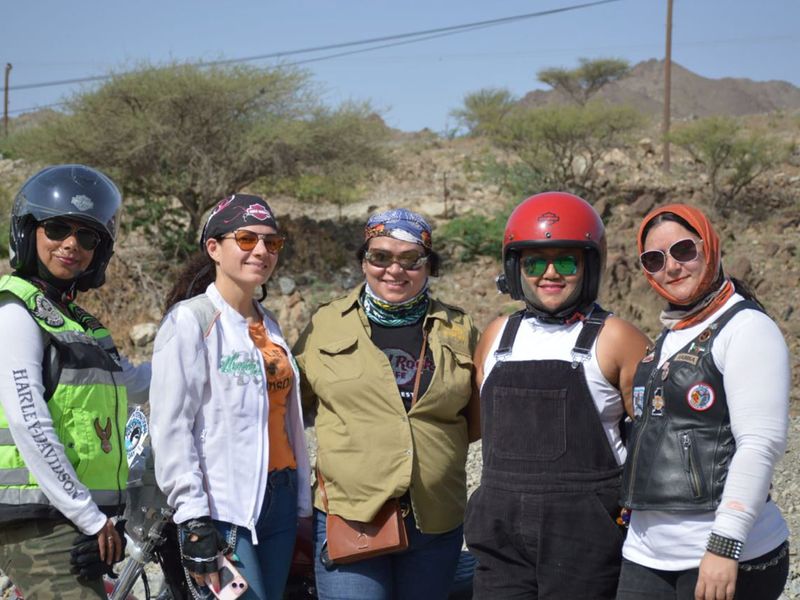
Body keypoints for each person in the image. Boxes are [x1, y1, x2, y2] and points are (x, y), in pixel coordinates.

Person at [464, 191, 650, 599]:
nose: (550, 273)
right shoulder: (497, 336)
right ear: (516, 268)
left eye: (566, 261)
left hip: (585, 536)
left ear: (590, 265)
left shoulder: (618, 338)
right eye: (534, 262)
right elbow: (475, 427)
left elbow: (656, 441)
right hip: (500, 535)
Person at [293, 208, 480, 600]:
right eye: (381, 257)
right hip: (352, 515)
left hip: (436, 519)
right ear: (364, 261)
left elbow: (475, 418)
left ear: (428, 265)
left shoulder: (460, 329)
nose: (395, 270)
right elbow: (291, 408)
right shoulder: (326, 324)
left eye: (411, 259)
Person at [617, 203, 790, 600]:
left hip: (719, 557)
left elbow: (760, 444)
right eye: (655, 259)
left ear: (708, 246)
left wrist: (724, 545)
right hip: (646, 555)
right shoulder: (672, 333)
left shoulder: (747, 328)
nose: (672, 267)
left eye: (683, 250)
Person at [149, 194, 312, 599]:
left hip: (281, 495)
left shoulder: (269, 325)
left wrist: (302, 502)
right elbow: (171, 425)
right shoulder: (191, 320)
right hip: (224, 509)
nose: (261, 250)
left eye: (271, 243)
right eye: (246, 239)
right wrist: (192, 516)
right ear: (213, 248)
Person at [0, 164, 151, 598]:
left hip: (69, 520)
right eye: (57, 229)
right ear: (29, 233)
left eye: (87, 237)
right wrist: (88, 516)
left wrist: (202, 365)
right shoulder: (16, 313)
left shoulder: (80, 324)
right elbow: (30, 424)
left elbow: (134, 381)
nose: (72, 245)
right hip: (38, 524)